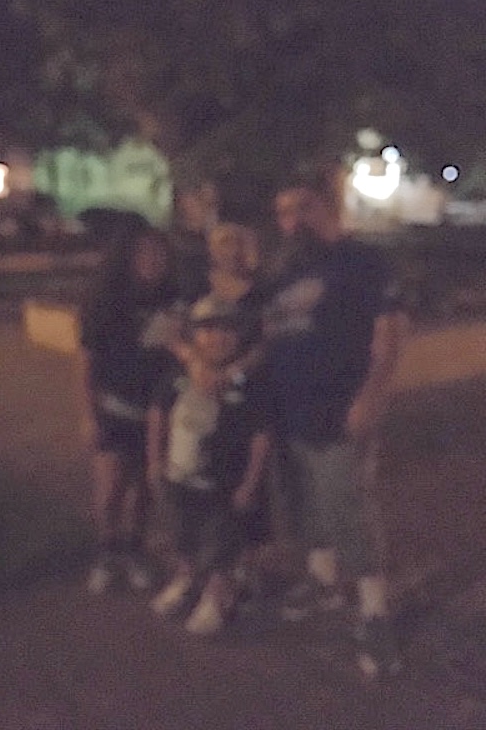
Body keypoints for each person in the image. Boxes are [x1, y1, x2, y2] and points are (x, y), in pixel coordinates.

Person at [262, 180, 407, 677]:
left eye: (303, 207)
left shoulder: (362, 262)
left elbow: (389, 334)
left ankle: (374, 611)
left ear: (328, 207)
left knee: (348, 507)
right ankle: (323, 584)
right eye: (284, 211)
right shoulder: (284, 270)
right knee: (304, 503)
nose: (293, 219)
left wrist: (371, 396)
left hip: (339, 407)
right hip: (287, 410)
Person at [146, 295, 271, 635]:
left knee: (220, 543)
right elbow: (158, 415)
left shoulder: (247, 383)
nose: (217, 337)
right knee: (181, 533)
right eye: (208, 330)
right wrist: (154, 460)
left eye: (227, 330)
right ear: (194, 335)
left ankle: (217, 595)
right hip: (180, 477)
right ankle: (187, 578)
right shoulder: (178, 376)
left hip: (224, 483)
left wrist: (250, 483)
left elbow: (261, 437)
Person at [80, 226, 182, 594]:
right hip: (114, 406)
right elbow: (86, 360)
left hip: (156, 410)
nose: (152, 260)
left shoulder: (173, 298)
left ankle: (135, 551)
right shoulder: (106, 302)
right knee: (110, 488)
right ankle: (107, 554)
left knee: (143, 489)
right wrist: (88, 413)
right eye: (144, 253)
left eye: (159, 253)